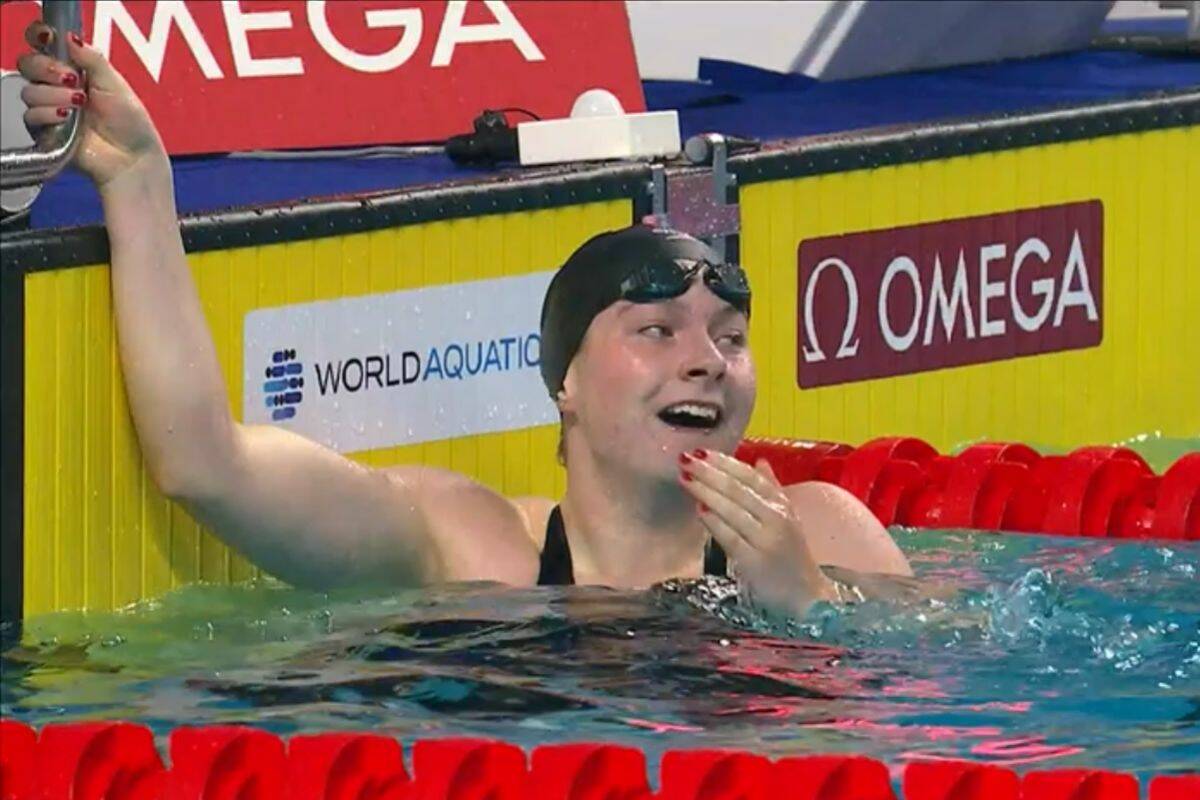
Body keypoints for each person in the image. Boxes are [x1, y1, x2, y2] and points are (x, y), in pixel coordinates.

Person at [16, 23, 912, 621]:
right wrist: (137, 178)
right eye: (656, 330)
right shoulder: (468, 547)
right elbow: (203, 464)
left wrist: (811, 608)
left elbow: (948, 713)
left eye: (729, 336)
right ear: (563, 379)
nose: (706, 361)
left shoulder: (826, 533)